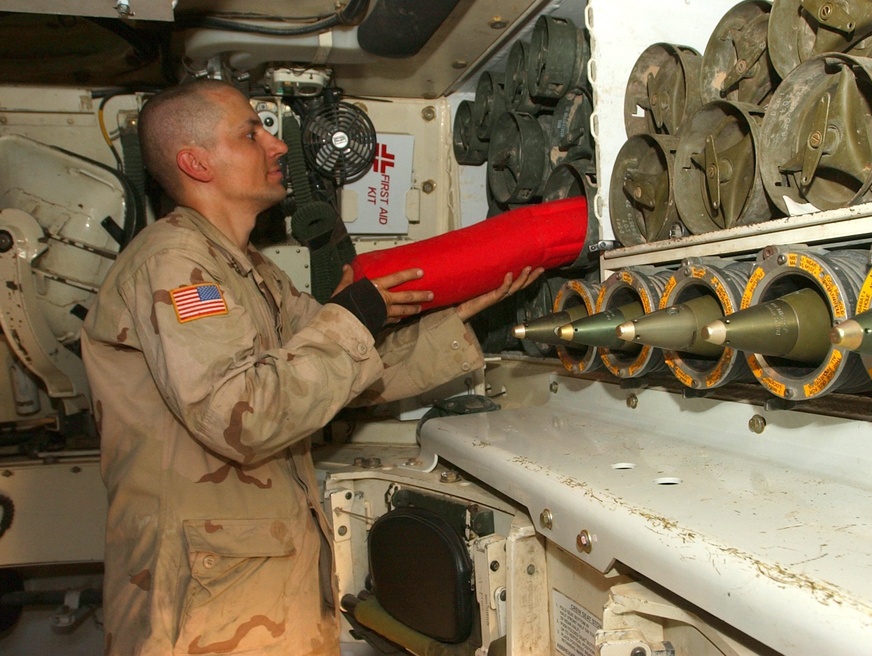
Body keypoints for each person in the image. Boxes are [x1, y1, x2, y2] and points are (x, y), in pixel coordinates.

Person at [81, 78, 540, 655]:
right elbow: (242, 416)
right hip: (204, 606)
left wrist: (457, 321)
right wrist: (349, 317)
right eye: (251, 133)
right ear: (196, 162)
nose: (276, 146)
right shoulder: (176, 265)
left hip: (252, 584)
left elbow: (336, 377)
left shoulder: (249, 271)